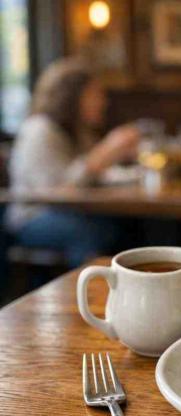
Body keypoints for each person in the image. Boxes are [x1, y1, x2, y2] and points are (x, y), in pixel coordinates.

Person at [4, 57, 140, 267]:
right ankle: (88, 285)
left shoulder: (77, 130)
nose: (103, 102)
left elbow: (96, 177)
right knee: (88, 231)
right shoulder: (40, 130)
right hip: (31, 217)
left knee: (125, 225)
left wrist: (123, 163)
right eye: (95, 94)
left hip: (70, 211)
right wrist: (105, 152)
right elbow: (57, 191)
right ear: (71, 97)